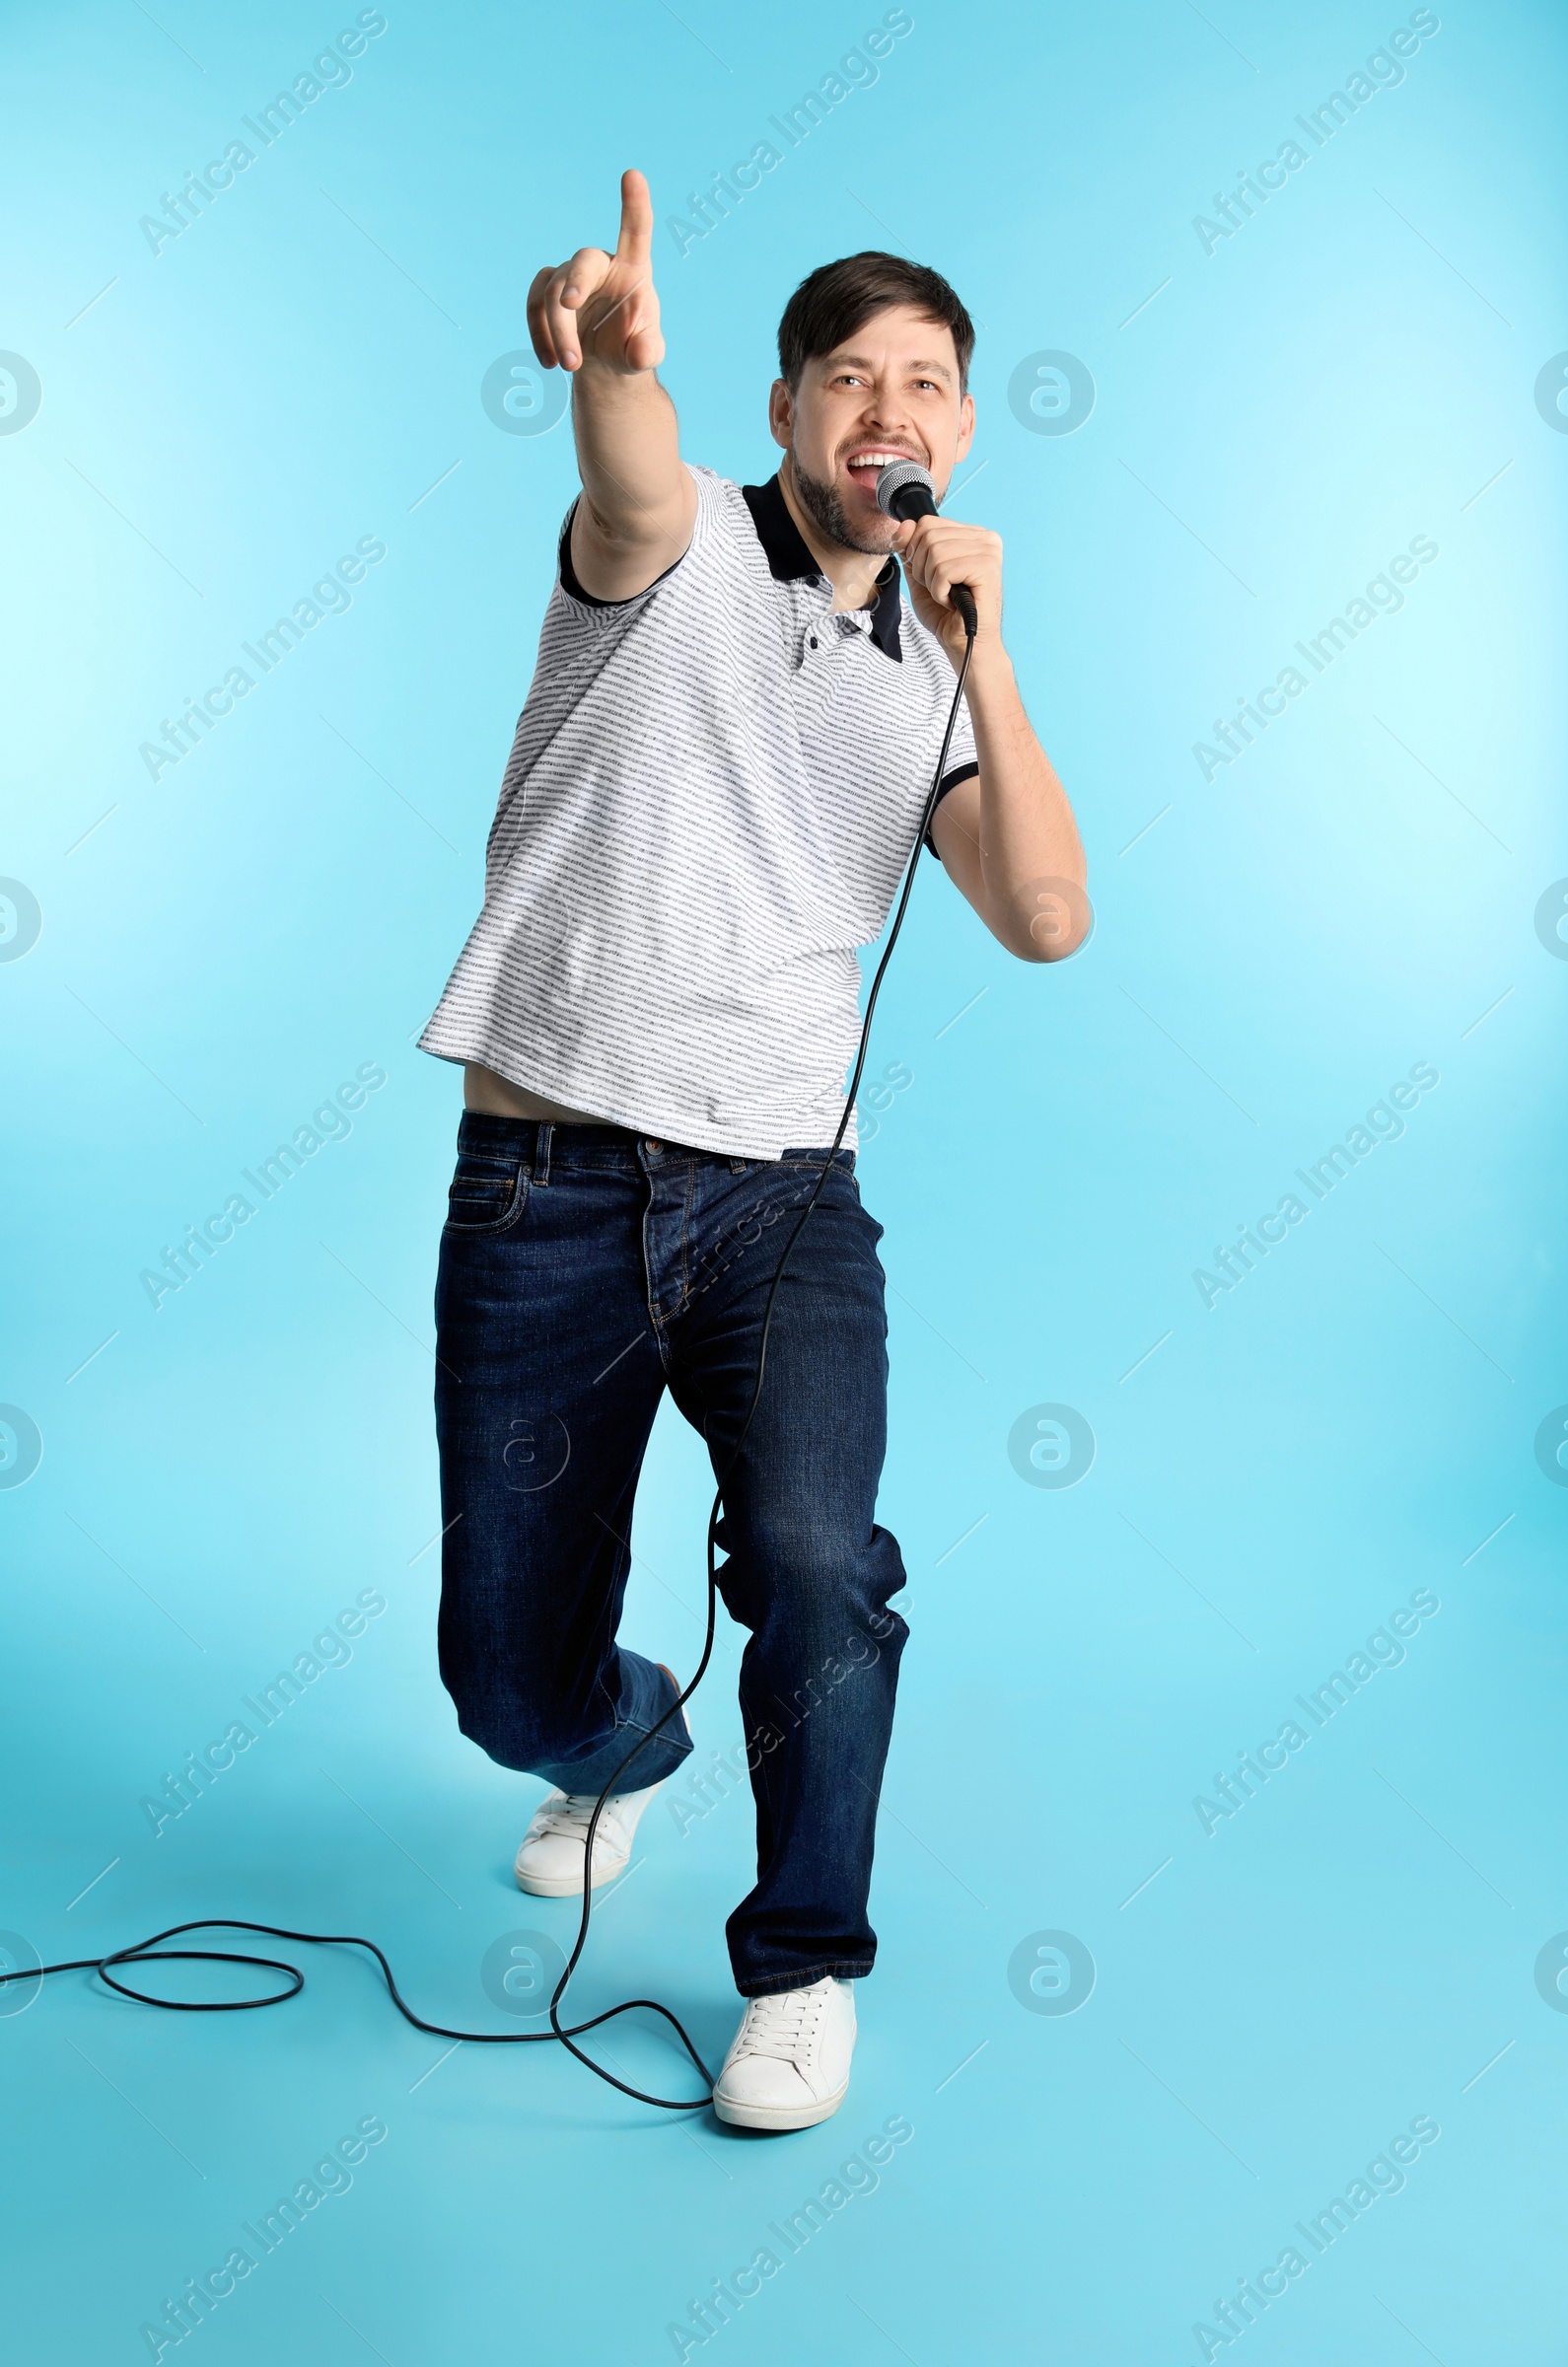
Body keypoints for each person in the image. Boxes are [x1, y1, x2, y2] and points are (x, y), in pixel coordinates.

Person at [418, 169, 1087, 2131]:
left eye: (930, 383)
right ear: (788, 406)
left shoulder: (933, 681)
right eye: (851, 374)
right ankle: (610, 1748)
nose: (892, 405)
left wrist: (988, 661)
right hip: (542, 1189)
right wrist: (615, 362)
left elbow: (1044, 916)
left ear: (955, 434)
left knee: (814, 1560)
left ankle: (801, 1963)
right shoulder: (677, 547)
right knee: (502, 1684)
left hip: (783, 1209)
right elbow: (625, 472)